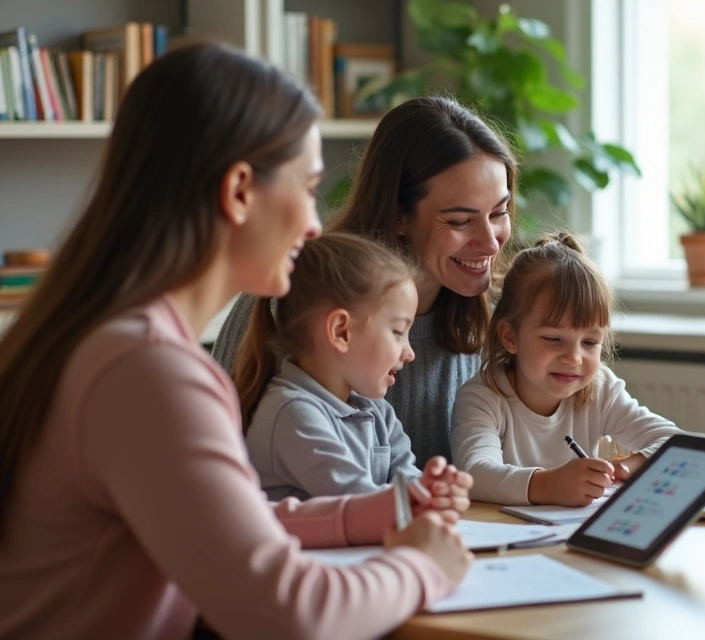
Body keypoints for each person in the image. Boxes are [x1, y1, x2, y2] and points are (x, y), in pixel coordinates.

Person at [0, 44, 472, 639]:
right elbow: (286, 614)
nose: (312, 223)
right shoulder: (147, 371)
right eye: (305, 189)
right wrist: (423, 565)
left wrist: (373, 513)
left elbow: (230, 526)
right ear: (240, 190)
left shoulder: (111, 339)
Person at [212, 95, 515, 463]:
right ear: (399, 216)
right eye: (459, 221)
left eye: (499, 212)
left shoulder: (499, 320)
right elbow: (211, 458)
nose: (490, 241)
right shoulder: (291, 302)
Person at [451, 234, 683, 506]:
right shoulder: (482, 398)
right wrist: (550, 485)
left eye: (590, 342)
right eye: (553, 339)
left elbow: (676, 442)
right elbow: (474, 474)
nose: (574, 358)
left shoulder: (600, 387)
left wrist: (624, 469)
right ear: (511, 337)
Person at [237, 233, 432, 501]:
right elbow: (358, 502)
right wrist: (421, 500)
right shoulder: (291, 413)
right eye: (398, 331)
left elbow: (407, 477)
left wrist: (435, 490)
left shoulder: (378, 412)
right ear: (341, 331)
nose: (409, 353)